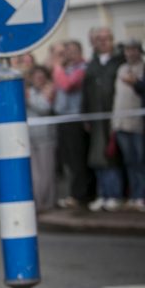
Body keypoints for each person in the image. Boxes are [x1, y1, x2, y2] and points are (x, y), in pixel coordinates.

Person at [84, 27, 125, 211]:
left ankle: (114, 195)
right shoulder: (92, 64)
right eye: (98, 39)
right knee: (97, 157)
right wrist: (85, 116)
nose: (102, 42)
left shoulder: (119, 62)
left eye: (106, 38)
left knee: (112, 156)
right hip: (95, 118)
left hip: (115, 117)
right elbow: (85, 93)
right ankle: (103, 194)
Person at [53, 40, 91, 208]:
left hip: (75, 118)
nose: (69, 55)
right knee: (68, 160)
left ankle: (80, 195)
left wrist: (57, 67)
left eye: (72, 51)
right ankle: (74, 193)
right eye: (66, 52)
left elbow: (68, 85)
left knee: (78, 159)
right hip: (63, 118)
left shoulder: (82, 68)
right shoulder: (66, 69)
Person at [114, 40, 144, 211]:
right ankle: (134, 195)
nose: (130, 53)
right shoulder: (121, 69)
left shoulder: (143, 68)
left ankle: (141, 195)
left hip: (139, 123)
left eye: (133, 49)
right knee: (129, 161)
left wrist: (136, 83)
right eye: (127, 50)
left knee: (140, 161)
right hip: (121, 122)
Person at [26, 65, 58, 211]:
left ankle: (48, 202)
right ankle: (38, 202)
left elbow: (44, 107)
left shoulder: (50, 89)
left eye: (41, 77)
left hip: (46, 136)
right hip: (30, 136)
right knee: (35, 173)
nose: (39, 80)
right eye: (36, 77)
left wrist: (28, 99)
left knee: (47, 171)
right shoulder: (30, 91)